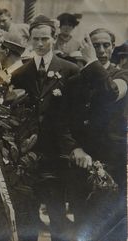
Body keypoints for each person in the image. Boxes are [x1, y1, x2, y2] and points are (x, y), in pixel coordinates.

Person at [11, 15, 82, 241]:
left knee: (57, 211)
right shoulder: (20, 74)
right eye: (35, 39)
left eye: (45, 39)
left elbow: (76, 115)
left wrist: (73, 146)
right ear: (30, 40)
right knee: (28, 213)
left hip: (57, 153)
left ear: (54, 39)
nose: (40, 44)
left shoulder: (70, 70)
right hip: (28, 153)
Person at [67, 28, 128, 241]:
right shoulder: (76, 80)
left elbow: (110, 92)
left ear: (113, 48)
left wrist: (92, 62)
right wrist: (75, 147)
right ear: (87, 47)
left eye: (106, 45)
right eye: (96, 46)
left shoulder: (123, 75)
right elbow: (65, 121)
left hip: (114, 160)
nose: (101, 50)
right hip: (84, 160)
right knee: (83, 220)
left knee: (113, 220)